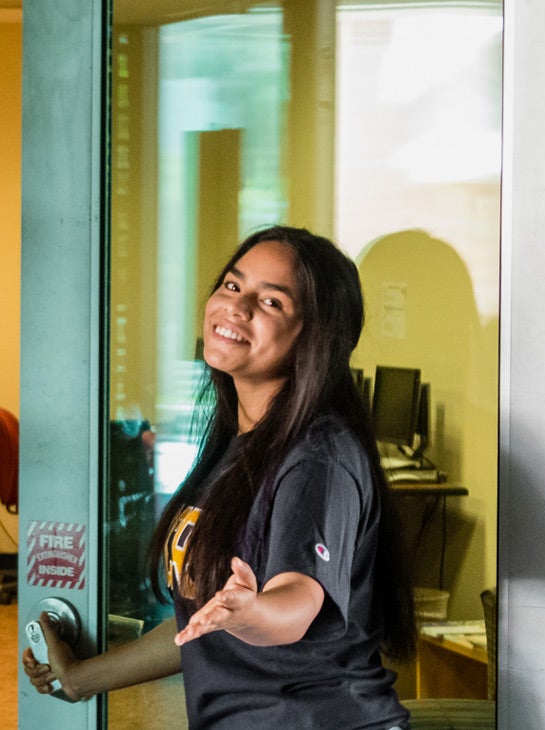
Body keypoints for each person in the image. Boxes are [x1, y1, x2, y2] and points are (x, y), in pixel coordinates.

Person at [22, 226, 417, 729]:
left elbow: (296, 600)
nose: (237, 306)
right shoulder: (237, 447)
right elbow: (203, 625)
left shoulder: (318, 456)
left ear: (314, 339)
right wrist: (81, 679)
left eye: (271, 302)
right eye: (233, 286)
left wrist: (252, 613)